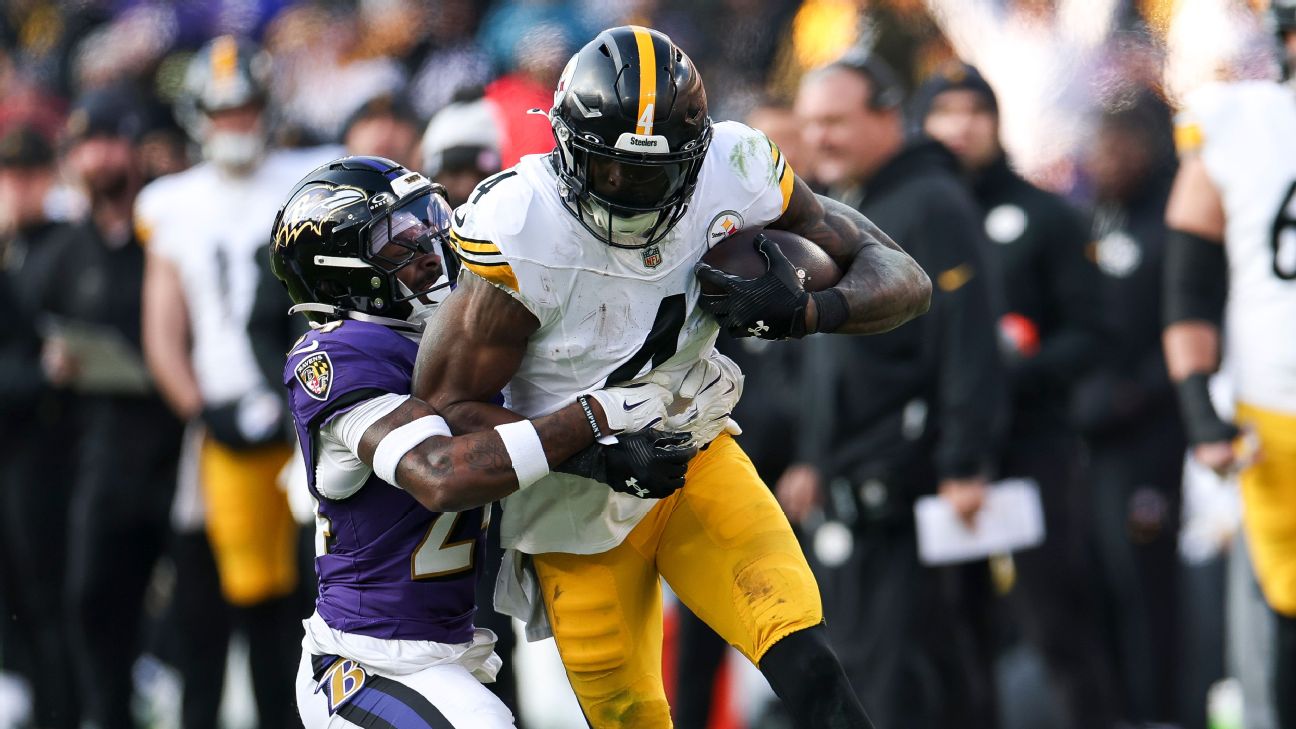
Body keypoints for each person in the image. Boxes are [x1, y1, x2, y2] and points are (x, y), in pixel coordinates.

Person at [414, 26, 931, 729]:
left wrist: (812, 310)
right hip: (570, 500)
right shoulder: (520, 224)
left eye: (653, 173)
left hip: (693, 449)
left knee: (808, 662)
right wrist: (593, 454)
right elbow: (446, 408)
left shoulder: (736, 166)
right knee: (632, 716)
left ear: (696, 152)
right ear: (565, 145)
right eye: (611, 169)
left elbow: (904, 276)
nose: (629, 190)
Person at [271, 156, 696, 727]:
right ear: (340, 270)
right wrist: (594, 415)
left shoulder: (453, 342)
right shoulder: (340, 354)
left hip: (443, 654)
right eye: (395, 239)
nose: (428, 248)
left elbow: (525, 428)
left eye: (425, 223)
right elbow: (441, 473)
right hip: (368, 660)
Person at [786, 52, 1005, 729]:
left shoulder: (931, 201)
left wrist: (965, 461)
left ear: (887, 117)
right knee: (865, 677)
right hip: (852, 490)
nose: (819, 137)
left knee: (907, 685)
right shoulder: (850, 205)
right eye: (810, 123)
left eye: (835, 121)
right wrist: (815, 457)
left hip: (911, 492)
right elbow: (836, 361)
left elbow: (969, 339)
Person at [137, 35, 337, 728]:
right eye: (222, 111)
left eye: (245, 107)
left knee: (319, 594)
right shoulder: (172, 203)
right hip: (224, 423)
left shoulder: (311, 176)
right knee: (241, 595)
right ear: (197, 116)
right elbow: (163, 331)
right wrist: (200, 409)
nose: (236, 123)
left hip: (318, 415)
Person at [917, 62, 1118, 729]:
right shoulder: (909, 218)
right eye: (945, 111)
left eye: (976, 111)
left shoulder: (1044, 215)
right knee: (955, 631)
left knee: (1057, 618)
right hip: (939, 453)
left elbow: (1091, 331)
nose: (961, 125)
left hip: (1033, 448)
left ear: (997, 122)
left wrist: (1005, 376)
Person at [1161, 9, 1296, 726]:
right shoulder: (1240, 121)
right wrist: (1199, 411)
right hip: (1279, 416)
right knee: (1283, 626)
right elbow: (1189, 287)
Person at [48, 86, 186, 729]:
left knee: (195, 607)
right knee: (94, 599)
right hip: (101, 452)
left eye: (108, 141)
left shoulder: (169, 231)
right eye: (86, 144)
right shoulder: (65, 249)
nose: (97, 157)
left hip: (176, 441)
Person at [1074, 93, 1188, 726]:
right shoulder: (1097, 220)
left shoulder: (1171, 222)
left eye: (1120, 147)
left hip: (1152, 442)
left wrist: (1129, 394)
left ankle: (1162, 714)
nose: (1106, 160)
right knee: (1101, 585)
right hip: (1096, 444)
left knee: (1149, 590)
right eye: (1100, 147)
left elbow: (1189, 328)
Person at [0, 123, 81, 729]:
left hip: (44, 445)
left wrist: (40, 375)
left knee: (46, 592)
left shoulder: (61, 243)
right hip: (14, 436)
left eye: (29, 174)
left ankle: (61, 708)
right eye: (10, 175)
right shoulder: (13, 247)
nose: (18, 187)